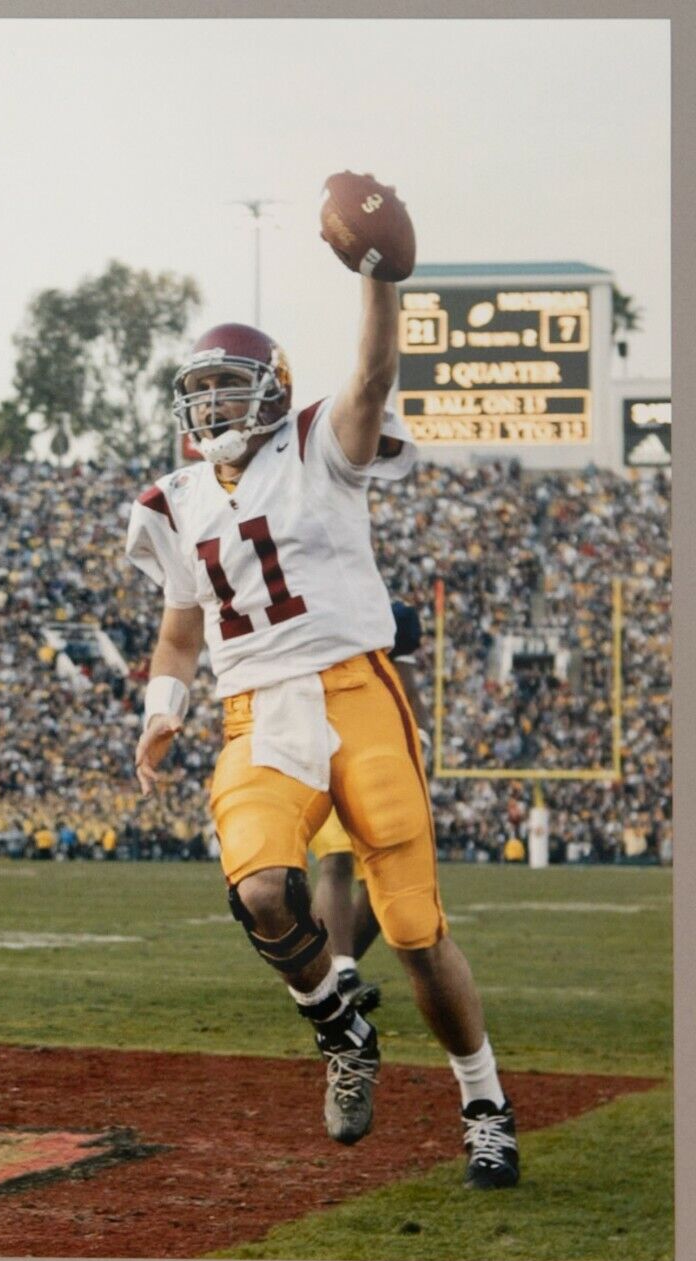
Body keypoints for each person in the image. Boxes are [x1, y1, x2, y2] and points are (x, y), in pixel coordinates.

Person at [126, 269, 519, 1189]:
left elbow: (374, 373)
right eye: (203, 389)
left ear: (270, 387)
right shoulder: (174, 499)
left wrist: (380, 278)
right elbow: (182, 626)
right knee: (262, 888)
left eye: (230, 384)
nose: (214, 402)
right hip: (256, 709)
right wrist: (161, 712)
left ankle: (485, 1104)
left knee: (416, 929)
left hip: (358, 692)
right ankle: (343, 1029)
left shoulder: (315, 441)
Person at [308, 599, 429, 1015]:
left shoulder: (393, 647)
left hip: (375, 770)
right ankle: (341, 972)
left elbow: (412, 699)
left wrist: (417, 746)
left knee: (383, 883)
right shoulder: (327, 638)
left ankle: (329, 974)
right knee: (337, 860)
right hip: (324, 757)